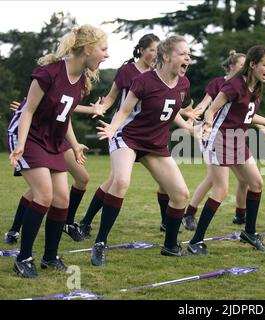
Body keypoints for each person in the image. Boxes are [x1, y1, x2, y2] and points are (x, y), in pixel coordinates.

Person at [8, 24, 109, 278]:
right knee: (43, 195)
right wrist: (20, 145)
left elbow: (63, 118)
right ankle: (23, 258)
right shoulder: (48, 73)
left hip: (52, 140)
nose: (106, 55)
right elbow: (27, 111)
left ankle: (50, 257)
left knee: (62, 199)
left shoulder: (81, 81)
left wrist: (74, 145)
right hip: (29, 136)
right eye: (103, 49)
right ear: (87, 49)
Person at [91, 35, 197, 266]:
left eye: (189, 54)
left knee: (180, 195)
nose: (188, 57)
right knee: (120, 182)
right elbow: (123, 110)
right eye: (183, 53)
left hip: (155, 145)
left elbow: (172, 109)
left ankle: (170, 246)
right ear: (166, 56)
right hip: (128, 138)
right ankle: (99, 243)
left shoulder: (183, 84)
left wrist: (190, 128)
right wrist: (111, 128)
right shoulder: (144, 80)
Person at [187, 45, 265, 256]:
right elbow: (212, 109)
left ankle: (249, 233)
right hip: (219, 139)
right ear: (252, 65)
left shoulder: (257, 87)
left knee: (256, 183)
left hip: (238, 140)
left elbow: (249, 116)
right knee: (221, 190)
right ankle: (195, 241)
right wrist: (206, 124)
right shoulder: (233, 85)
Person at [77, 33, 161, 239]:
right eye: (153, 50)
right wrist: (99, 107)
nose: (156, 54)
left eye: (159, 51)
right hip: (123, 131)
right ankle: (89, 226)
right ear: (142, 50)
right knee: (118, 180)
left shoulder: (160, 73)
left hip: (148, 136)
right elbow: (111, 97)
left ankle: (85, 222)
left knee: (114, 181)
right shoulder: (127, 71)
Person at [181, 50, 265, 231]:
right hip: (215, 135)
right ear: (233, 66)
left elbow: (247, 114)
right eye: (240, 65)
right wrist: (192, 122)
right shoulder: (222, 84)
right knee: (215, 183)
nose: (243, 68)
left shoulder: (251, 86)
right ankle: (190, 214)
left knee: (247, 180)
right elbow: (206, 106)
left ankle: (241, 216)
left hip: (236, 139)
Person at [4, 98, 105, 244]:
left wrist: (96, 109)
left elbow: (66, 109)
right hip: (39, 136)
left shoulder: (80, 81)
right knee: (41, 190)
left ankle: (67, 223)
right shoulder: (61, 76)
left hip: (56, 135)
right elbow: (54, 100)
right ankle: (14, 230)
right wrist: (27, 107)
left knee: (82, 178)